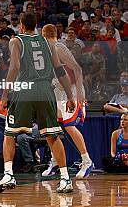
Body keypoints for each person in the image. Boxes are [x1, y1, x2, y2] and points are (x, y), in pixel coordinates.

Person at [0, 13, 76, 194]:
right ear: (36, 25)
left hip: (25, 89)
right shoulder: (48, 42)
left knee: (10, 133)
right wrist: (70, 96)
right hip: (46, 90)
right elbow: (60, 70)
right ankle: (65, 178)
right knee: (52, 135)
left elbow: (14, 67)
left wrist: (5, 94)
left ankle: (8, 174)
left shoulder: (16, 41)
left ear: (21, 25)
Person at [41, 24, 93, 179]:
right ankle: (56, 160)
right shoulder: (48, 51)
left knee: (70, 127)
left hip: (71, 91)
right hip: (58, 91)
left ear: (45, 36)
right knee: (50, 128)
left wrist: (79, 97)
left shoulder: (59, 48)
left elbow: (77, 70)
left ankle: (86, 160)